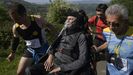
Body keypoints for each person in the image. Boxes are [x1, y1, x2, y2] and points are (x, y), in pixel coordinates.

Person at [28, 10, 92, 75]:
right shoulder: (64, 32)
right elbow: (53, 46)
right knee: (30, 70)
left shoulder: (81, 37)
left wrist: (61, 68)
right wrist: (50, 57)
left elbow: (82, 60)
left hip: (67, 66)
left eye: (71, 19)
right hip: (54, 61)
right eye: (67, 19)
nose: (67, 21)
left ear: (77, 22)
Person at [6, 3, 54, 75]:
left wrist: (55, 45)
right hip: (31, 50)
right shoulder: (15, 27)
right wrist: (12, 53)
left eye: (17, 19)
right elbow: (16, 39)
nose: (16, 22)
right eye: (14, 20)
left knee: (45, 72)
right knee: (19, 73)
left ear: (24, 14)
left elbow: (52, 29)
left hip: (44, 49)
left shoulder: (38, 20)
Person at [95, 4, 133, 75]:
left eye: (116, 24)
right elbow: (109, 42)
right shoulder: (106, 32)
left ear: (126, 22)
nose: (111, 27)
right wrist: (98, 49)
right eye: (108, 23)